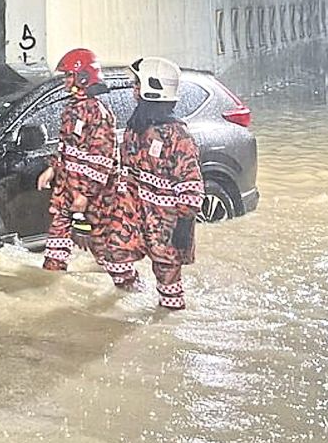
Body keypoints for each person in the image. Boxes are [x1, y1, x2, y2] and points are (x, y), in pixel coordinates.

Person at [95, 56, 204, 309]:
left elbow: (191, 184)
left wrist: (183, 226)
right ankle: (135, 296)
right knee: (113, 257)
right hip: (132, 212)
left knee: (168, 284)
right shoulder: (136, 127)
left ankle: (167, 320)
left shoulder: (179, 136)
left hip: (166, 221)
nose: (133, 89)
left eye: (137, 84)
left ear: (152, 88)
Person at [36, 48, 117, 273]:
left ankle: (126, 286)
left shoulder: (98, 112)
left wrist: (85, 194)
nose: (65, 81)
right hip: (67, 191)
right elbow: (65, 146)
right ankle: (51, 284)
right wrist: (51, 170)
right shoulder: (71, 109)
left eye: (68, 76)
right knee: (55, 249)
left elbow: (103, 159)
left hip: (93, 196)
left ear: (83, 77)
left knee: (104, 252)